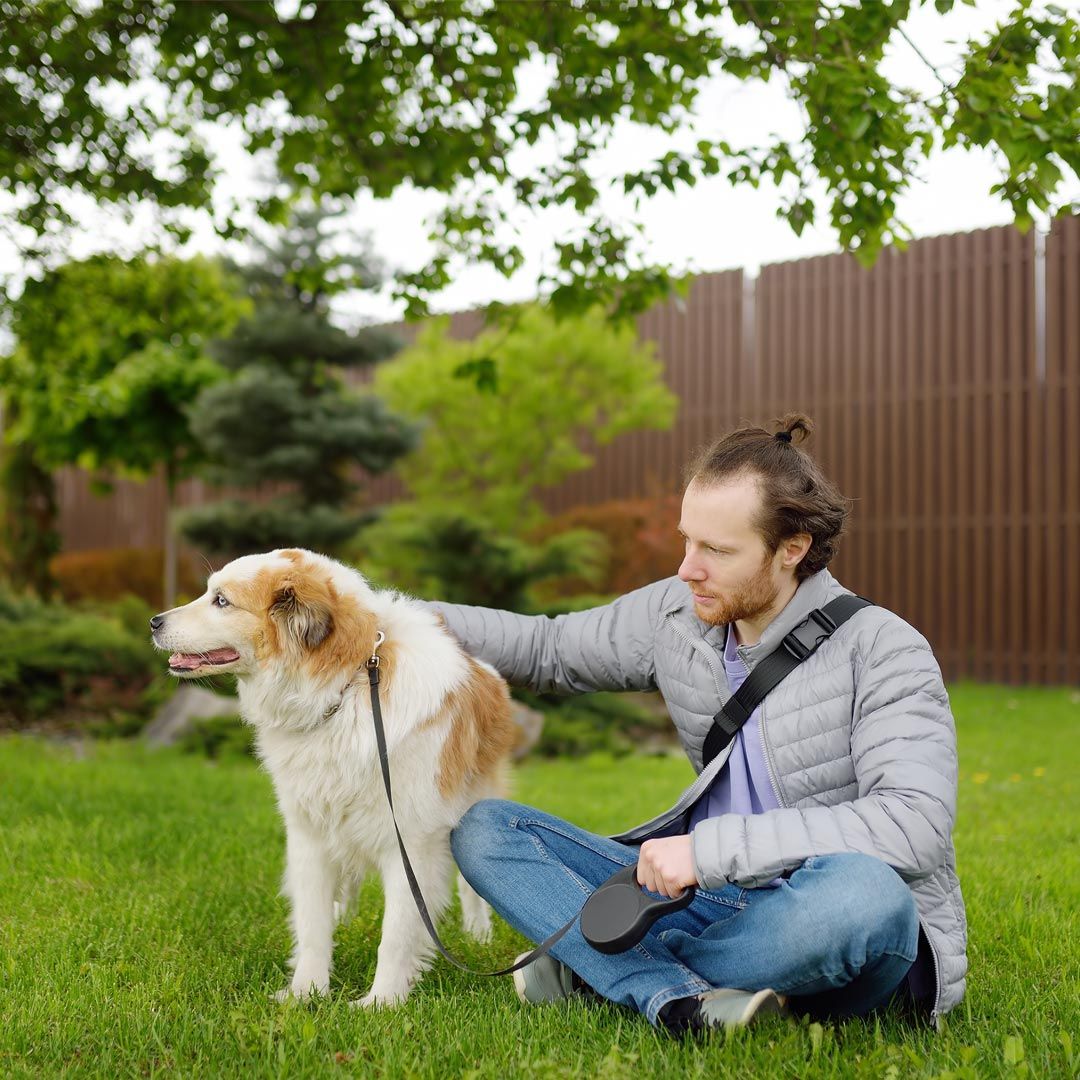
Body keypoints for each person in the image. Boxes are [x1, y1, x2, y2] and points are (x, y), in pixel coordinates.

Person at [429, 414, 967, 1036]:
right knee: (488, 830)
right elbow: (549, 648)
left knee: (862, 899)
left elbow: (914, 825)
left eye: (716, 550)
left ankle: (597, 974)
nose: (688, 568)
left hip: (825, 917)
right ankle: (681, 1002)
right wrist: (388, 613)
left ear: (791, 548)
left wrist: (706, 851)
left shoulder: (884, 648)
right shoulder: (679, 614)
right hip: (704, 901)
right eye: (688, 541)